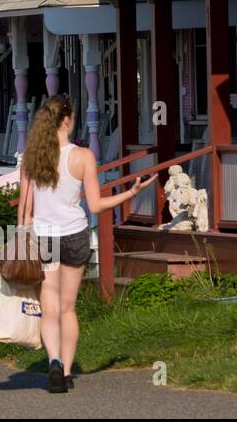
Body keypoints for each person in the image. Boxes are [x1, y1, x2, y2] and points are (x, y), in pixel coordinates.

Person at [17, 95, 155, 393]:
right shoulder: (83, 156)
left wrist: (21, 237)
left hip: (44, 236)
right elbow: (95, 204)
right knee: (68, 308)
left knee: (49, 308)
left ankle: (52, 361)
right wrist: (130, 194)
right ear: (66, 119)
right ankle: (66, 372)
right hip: (75, 235)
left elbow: (24, 211)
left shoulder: (32, 156)